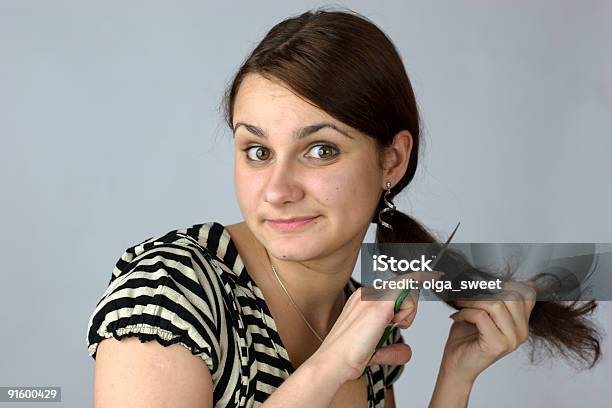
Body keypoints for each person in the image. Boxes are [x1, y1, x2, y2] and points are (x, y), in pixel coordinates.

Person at [85, 7, 601, 408]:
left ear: (392, 160)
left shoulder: (364, 324)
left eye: (320, 149)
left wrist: (455, 379)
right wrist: (329, 366)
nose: (277, 189)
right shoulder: (171, 292)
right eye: (257, 151)